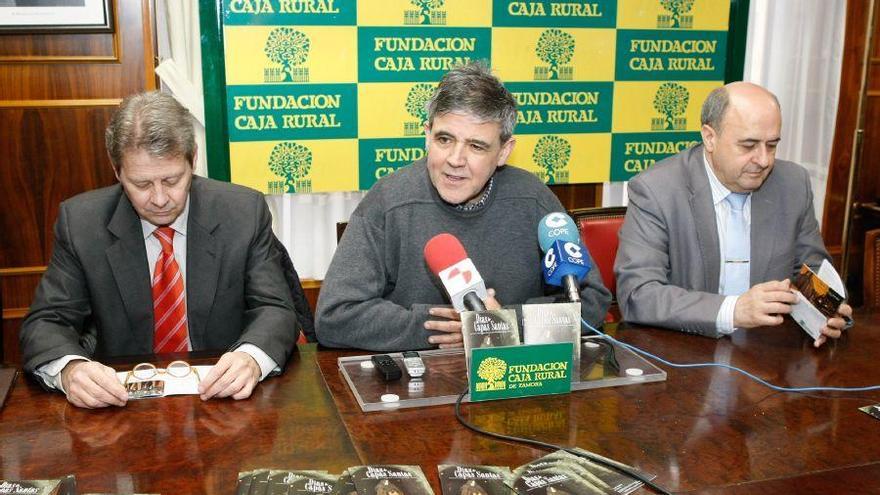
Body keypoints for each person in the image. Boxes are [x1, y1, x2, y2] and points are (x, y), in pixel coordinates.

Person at [20, 91, 299, 408]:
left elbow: (275, 309)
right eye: (141, 184)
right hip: (121, 405)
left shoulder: (243, 211)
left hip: (223, 399)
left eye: (172, 179)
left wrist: (250, 358)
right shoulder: (82, 223)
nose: (160, 198)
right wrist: (71, 370)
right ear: (117, 172)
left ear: (192, 160)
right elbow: (45, 323)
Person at [315, 62, 611, 350]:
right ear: (427, 135)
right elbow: (335, 317)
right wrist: (442, 327)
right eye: (444, 139)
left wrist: (505, 323)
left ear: (504, 151)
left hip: (518, 379)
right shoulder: (388, 200)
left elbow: (592, 301)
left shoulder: (533, 198)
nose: (455, 159)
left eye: (476, 146)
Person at [614, 82, 852, 346]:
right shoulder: (657, 190)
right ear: (710, 137)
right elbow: (639, 295)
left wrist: (826, 308)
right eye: (748, 145)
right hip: (685, 352)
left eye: (771, 145)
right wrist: (733, 310)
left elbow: (810, 271)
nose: (763, 160)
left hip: (768, 354)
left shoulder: (792, 183)